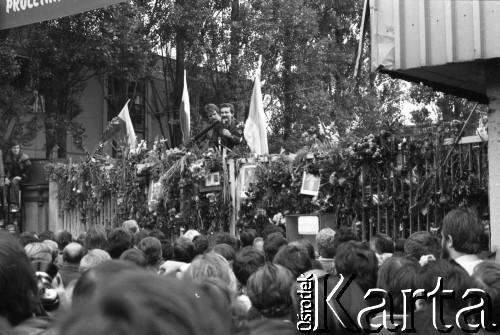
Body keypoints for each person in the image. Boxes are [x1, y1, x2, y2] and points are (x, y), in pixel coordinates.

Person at [4, 140, 32, 212]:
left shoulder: (24, 157)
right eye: (14, 148)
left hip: (23, 178)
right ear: (11, 149)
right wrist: (5, 178)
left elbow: (29, 169)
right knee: (4, 184)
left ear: (19, 148)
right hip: (12, 178)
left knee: (14, 182)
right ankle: (5, 204)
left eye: (17, 148)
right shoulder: (8, 158)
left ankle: (15, 205)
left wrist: (21, 177)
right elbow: (4, 170)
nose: (16, 150)